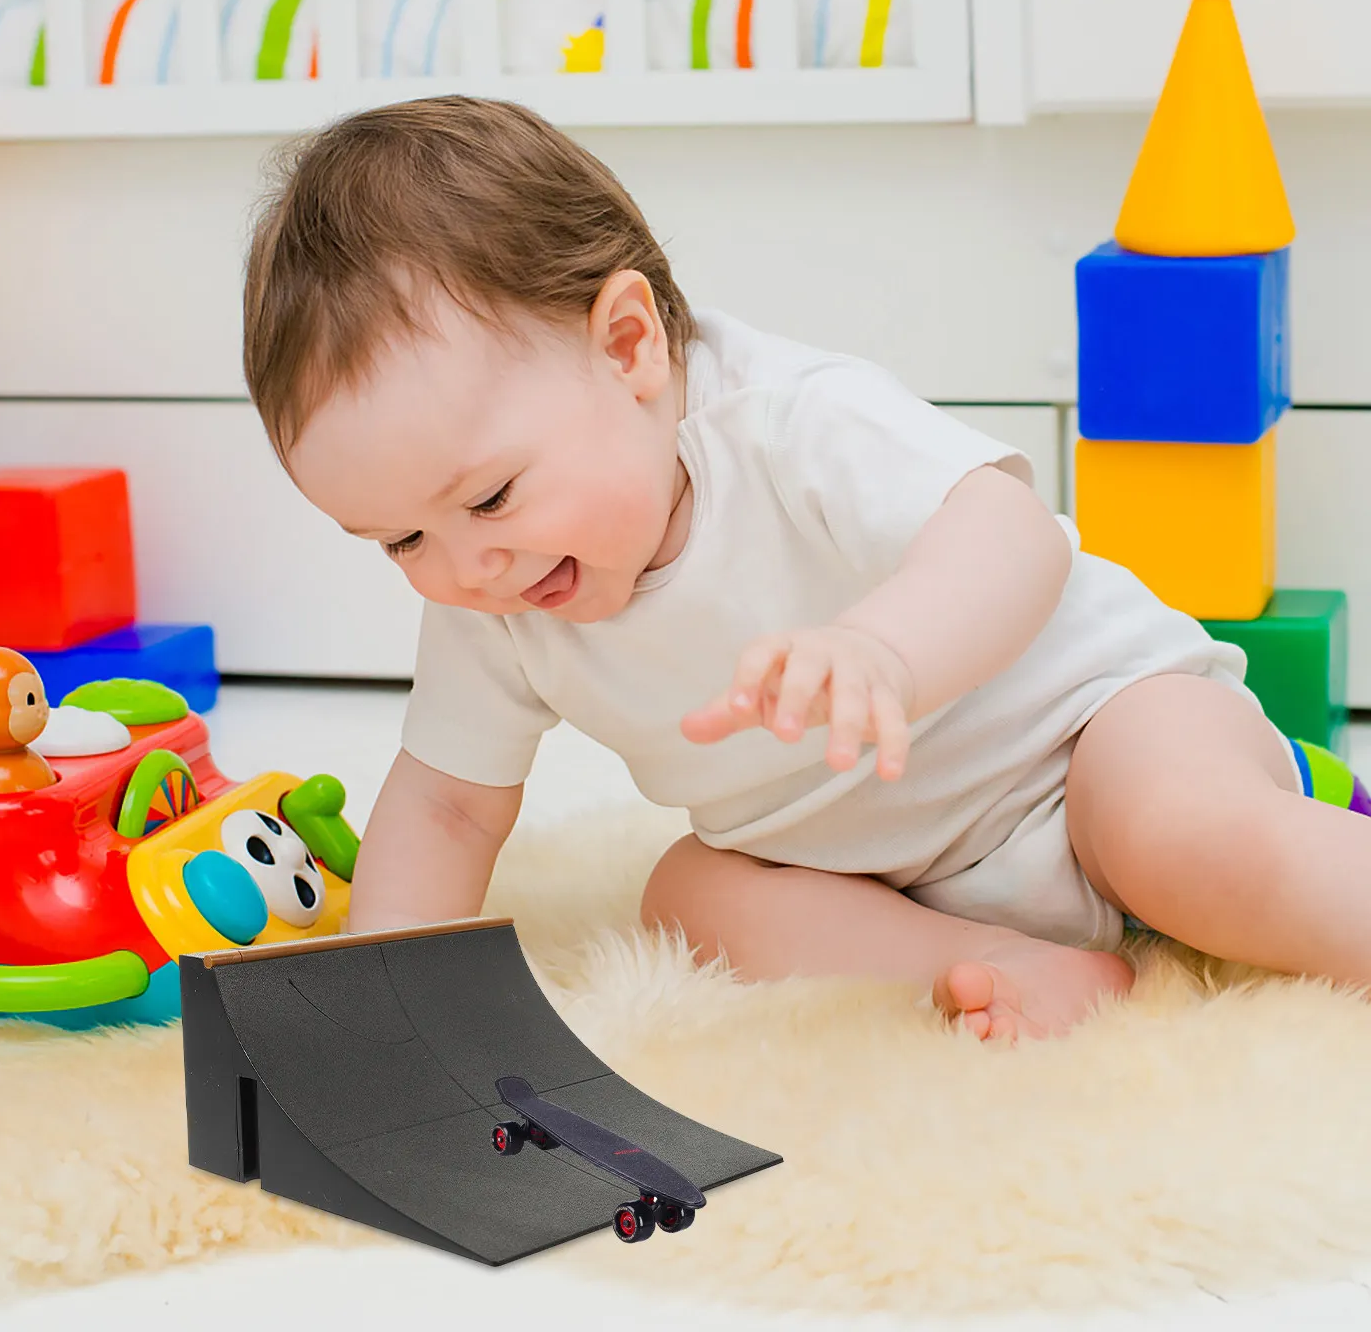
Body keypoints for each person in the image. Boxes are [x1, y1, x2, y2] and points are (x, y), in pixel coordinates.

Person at [243, 95, 1368, 1042]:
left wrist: (887, 647)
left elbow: (1010, 532)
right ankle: (991, 959)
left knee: (1180, 835)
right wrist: (371, 1006)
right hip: (882, 865)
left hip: (1086, 738)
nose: (463, 566)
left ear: (628, 346)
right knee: (689, 899)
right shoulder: (496, 591)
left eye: (487, 496)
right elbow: (444, 806)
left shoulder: (786, 426)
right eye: (399, 542)